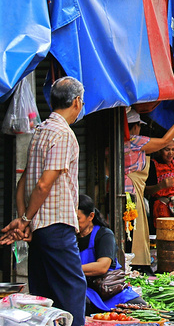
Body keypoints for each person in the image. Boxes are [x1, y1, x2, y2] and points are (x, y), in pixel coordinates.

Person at [0, 77, 87, 325]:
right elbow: (42, 184)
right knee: (72, 287)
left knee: (44, 292)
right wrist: (25, 219)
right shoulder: (62, 134)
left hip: (40, 228)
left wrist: (24, 219)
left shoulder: (41, 130)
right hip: (56, 225)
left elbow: (23, 183)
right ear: (77, 102)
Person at [124, 106, 174, 274]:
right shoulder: (134, 141)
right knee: (132, 231)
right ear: (135, 126)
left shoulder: (122, 141)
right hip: (131, 192)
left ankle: (133, 264)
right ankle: (135, 266)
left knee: (132, 231)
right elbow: (165, 141)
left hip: (130, 190)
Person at [77, 194, 144, 313]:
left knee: (141, 307)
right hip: (85, 288)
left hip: (109, 288)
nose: (74, 223)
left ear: (91, 216)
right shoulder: (69, 237)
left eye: (78, 219)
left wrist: (71, 268)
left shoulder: (104, 234)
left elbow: (102, 266)